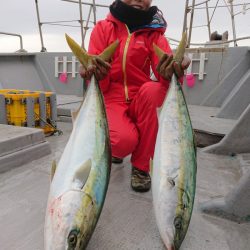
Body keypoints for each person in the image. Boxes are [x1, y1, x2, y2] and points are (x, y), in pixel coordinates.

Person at [79, 0, 190, 192]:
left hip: (141, 95)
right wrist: (97, 75)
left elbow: (166, 80)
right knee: (121, 143)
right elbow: (99, 86)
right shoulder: (103, 29)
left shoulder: (154, 33)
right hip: (112, 96)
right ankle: (123, 144)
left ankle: (141, 167)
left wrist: (173, 73)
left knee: (155, 91)